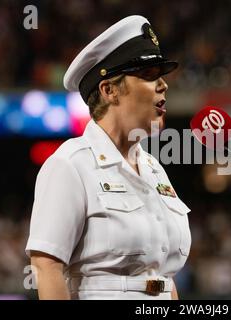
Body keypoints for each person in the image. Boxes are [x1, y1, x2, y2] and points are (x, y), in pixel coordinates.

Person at [25, 15, 191, 300]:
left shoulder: (154, 169)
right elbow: (46, 265)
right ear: (109, 90)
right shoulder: (71, 164)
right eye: (150, 74)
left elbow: (161, 277)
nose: (163, 84)